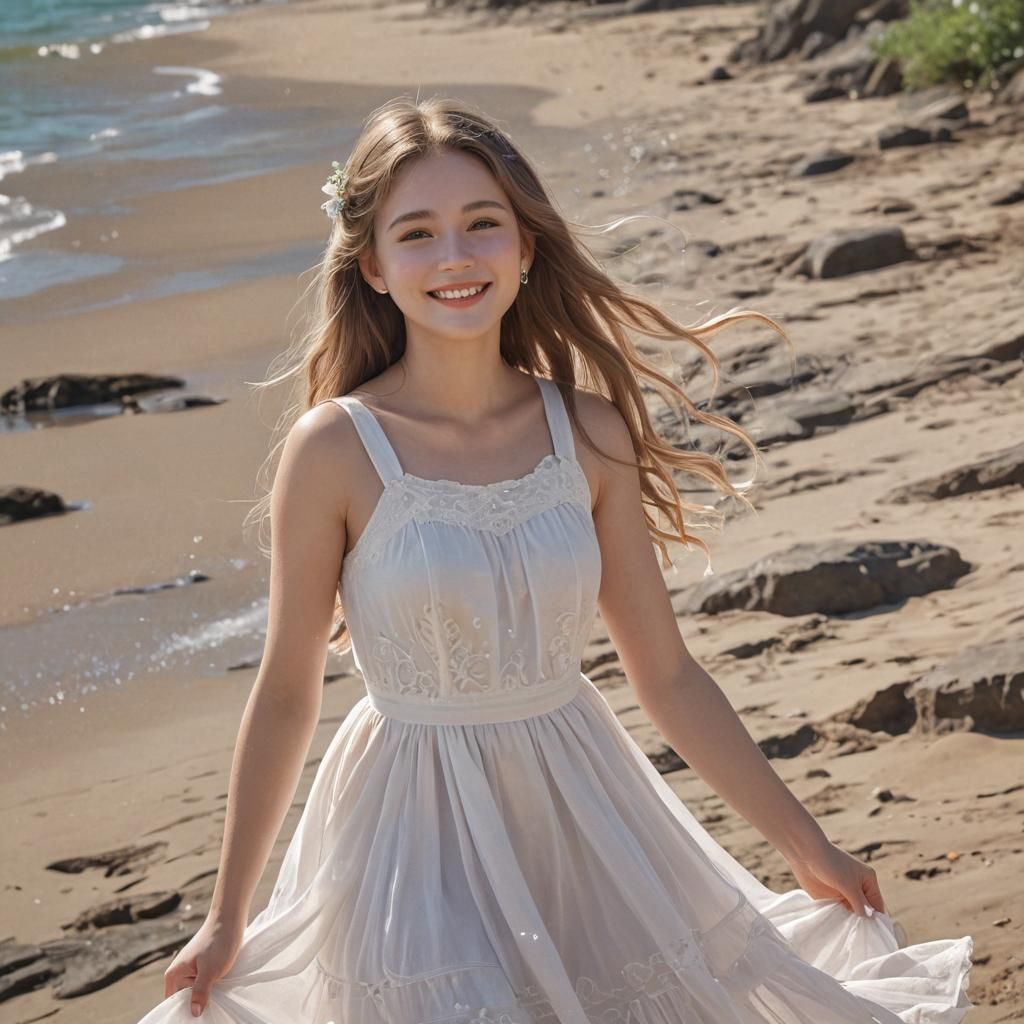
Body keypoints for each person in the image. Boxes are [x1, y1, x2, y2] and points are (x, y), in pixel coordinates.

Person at [137, 96, 974, 1024]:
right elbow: (287, 693)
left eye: (481, 224)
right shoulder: (334, 448)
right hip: (406, 826)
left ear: (525, 244)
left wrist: (804, 844)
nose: (455, 257)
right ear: (372, 265)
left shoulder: (589, 432)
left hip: (579, 807)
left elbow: (668, 674)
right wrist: (227, 917)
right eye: (417, 234)